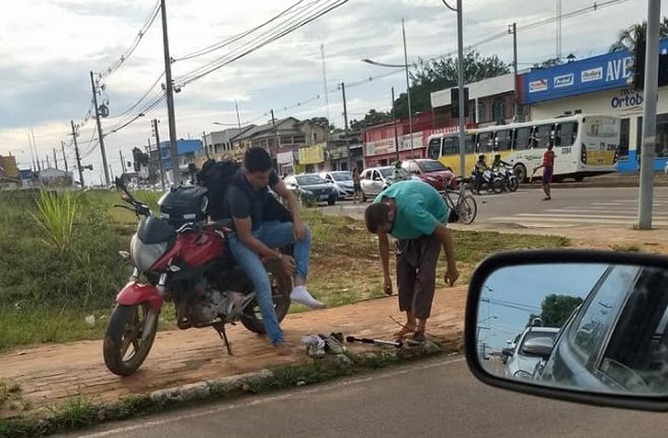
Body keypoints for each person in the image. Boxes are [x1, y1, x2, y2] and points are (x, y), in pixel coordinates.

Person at [223, 147, 325, 356]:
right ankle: (277, 340)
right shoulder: (237, 193)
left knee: (304, 232)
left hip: (262, 230)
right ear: (246, 172)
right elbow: (246, 237)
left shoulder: (266, 174)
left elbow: (289, 195)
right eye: (259, 178)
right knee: (262, 283)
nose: (264, 182)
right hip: (242, 241)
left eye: (267, 177)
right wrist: (279, 257)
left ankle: (299, 287)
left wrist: (297, 222)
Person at [363, 180, 459, 343]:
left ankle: (420, 329)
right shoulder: (377, 209)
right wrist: (386, 276)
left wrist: (452, 267)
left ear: (391, 215)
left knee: (425, 276)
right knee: (404, 275)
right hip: (408, 230)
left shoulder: (412, 211)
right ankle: (410, 322)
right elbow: (383, 241)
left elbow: (444, 233)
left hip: (432, 222)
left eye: (385, 229)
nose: (385, 233)